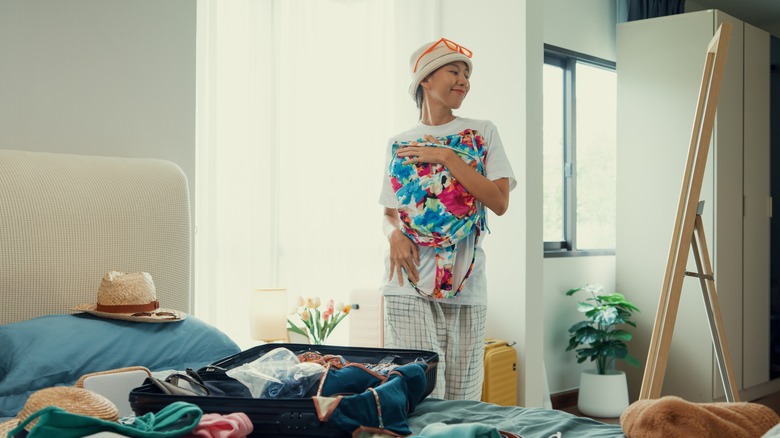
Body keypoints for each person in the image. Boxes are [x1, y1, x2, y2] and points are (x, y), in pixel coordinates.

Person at [378, 37, 517, 400]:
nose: (464, 81)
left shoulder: (481, 132)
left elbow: (499, 201)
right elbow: (390, 214)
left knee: (463, 398)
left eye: (467, 75)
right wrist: (393, 234)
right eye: (454, 71)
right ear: (425, 80)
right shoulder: (399, 143)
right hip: (406, 281)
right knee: (419, 394)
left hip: (465, 283)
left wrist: (447, 157)